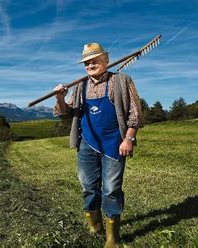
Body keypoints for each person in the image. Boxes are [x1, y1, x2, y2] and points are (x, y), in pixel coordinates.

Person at [53, 42, 143, 247]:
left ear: (106, 60)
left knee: (111, 189)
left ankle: (112, 237)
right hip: (87, 144)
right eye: (87, 62)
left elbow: (135, 113)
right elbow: (63, 113)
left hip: (114, 144)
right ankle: (94, 225)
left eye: (94, 60)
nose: (90, 65)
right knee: (88, 186)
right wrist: (60, 97)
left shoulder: (121, 81)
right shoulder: (80, 86)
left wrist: (128, 138)